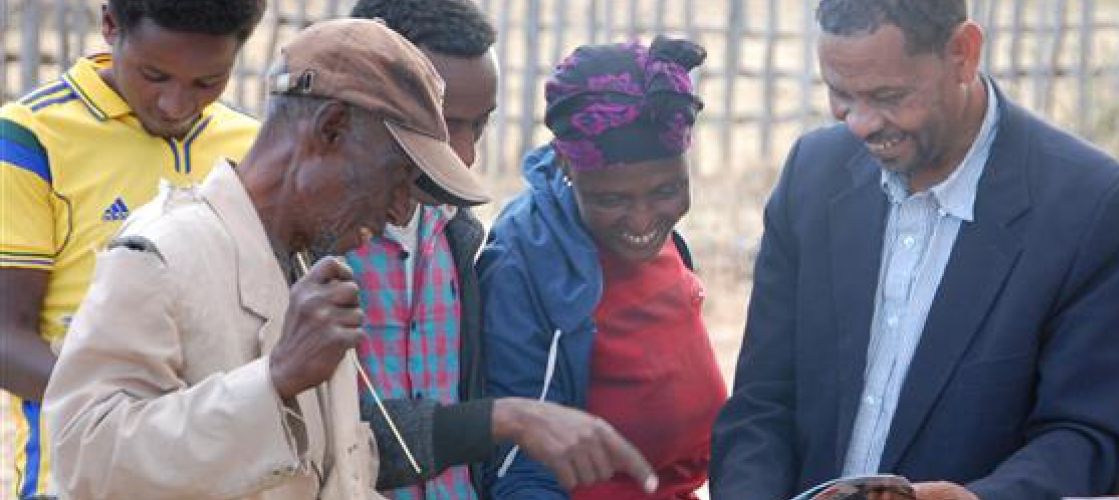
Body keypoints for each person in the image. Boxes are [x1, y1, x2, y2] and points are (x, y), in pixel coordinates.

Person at [42, 18, 654, 499]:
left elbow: (341, 470)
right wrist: (274, 378)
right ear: (330, 129)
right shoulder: (161, 253)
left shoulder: (308, 266)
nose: (397, 212)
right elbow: (81, 458)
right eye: (394, 180)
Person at [710, 0, 1119, 498]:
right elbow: (761, 404)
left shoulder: (1092, 208)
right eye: (839, 93)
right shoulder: (812, 175)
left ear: (963, 54)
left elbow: (1085, 435)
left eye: (888, 96)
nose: (858, 123)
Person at [0, 1, 264, 497]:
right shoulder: (31, 136)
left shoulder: (250, 147)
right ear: (109, 25)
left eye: (207, 82)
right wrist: (139, 420)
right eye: (154, 74)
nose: (175, 103)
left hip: (219, 474)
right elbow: (5, 336)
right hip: (80, 475)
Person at [479, 37, 726, 499]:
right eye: (611, 199)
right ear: (564, 166)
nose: (642, 220)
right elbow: (519, 468)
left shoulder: (663, 242)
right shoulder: (528, 267)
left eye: (666, 190)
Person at [344, 0, 502, 496]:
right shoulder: (316, 245)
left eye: (478, 125)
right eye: (443, 123)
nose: (466, 153)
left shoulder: (455, 231)